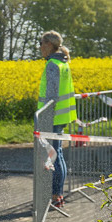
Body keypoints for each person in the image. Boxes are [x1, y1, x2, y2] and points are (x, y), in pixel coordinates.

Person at [37, 30, 76, 208]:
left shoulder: (53, 64)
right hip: (61, 115)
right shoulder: (62, 62)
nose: (40, 47)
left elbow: (51, 95)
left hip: (52, 117)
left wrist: (43, 116)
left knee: (54, 156)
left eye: (41, 43)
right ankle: (58, 195)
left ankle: (55, 195)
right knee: (58, 154)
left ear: (49, 45)